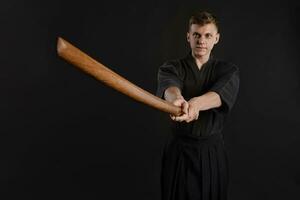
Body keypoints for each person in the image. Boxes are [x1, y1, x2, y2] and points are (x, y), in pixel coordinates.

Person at [156, 11, 240, 200]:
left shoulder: (228, 71)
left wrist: (194, 104)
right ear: (188, 37)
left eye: (207, 35)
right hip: (179, 151)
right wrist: (176, 100)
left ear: (216, 38)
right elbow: (170, 88)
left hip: (212, 152)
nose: (202, 40)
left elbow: (218, 96)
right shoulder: (171, 67)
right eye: (197, 35)